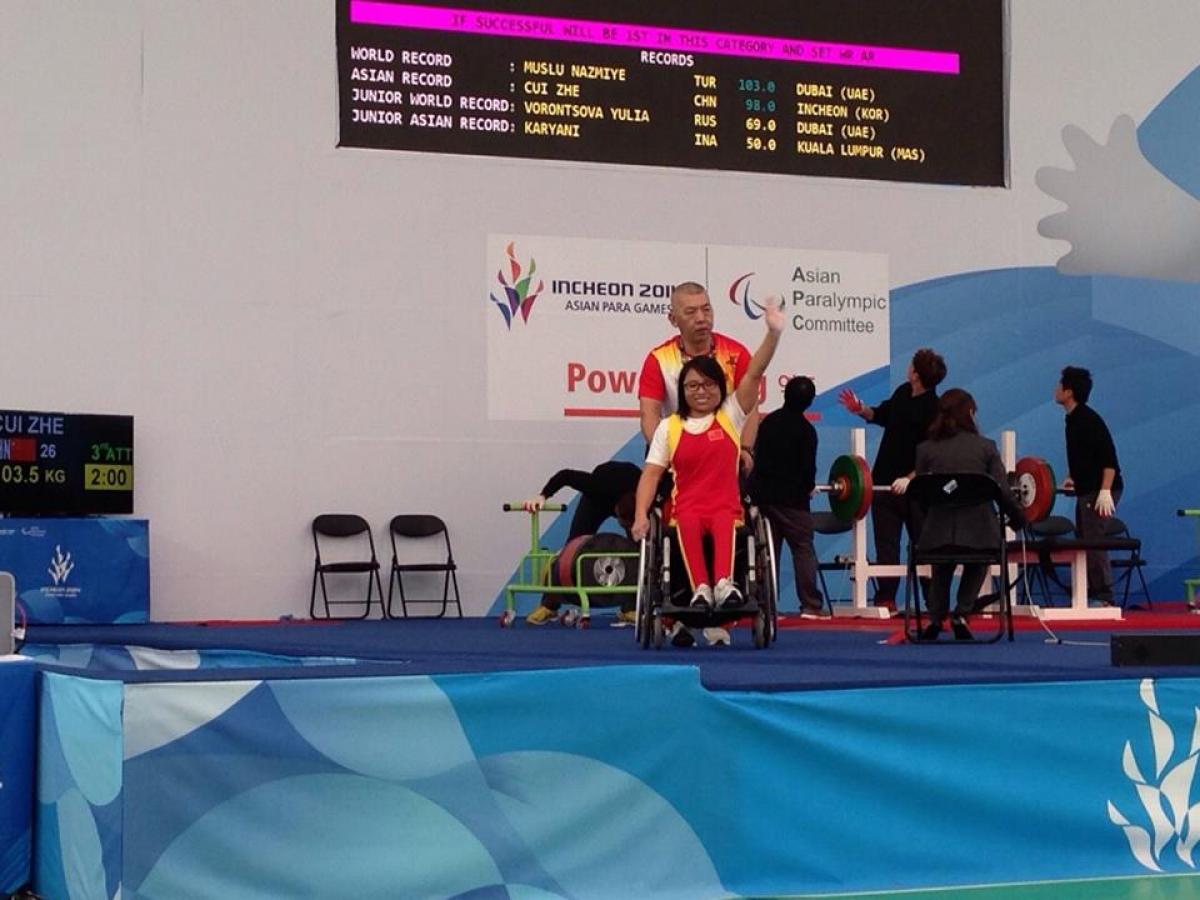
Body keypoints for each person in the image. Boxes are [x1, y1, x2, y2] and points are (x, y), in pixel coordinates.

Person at [631, 301, 784, 645]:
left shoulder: (729, 415)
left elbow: (755, 373)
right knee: (683, 523)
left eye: (709, 385)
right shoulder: (669, 428)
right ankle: (697, 593)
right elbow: (651, 475)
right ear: (683, 391)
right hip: (685, 505)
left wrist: (773, 333)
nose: (701, 392)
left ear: (720, 388)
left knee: (723, 522)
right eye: (693, 386)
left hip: (724, 506)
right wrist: (641, 515)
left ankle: (724, 586)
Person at [900, 388, 1026, 640]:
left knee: (942, 563)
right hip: (980, 535)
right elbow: (1001, 490)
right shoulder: (986, 448)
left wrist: (925, 528)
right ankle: (962, 612)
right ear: (970, 413)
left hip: (935, 536)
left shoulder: (925, 450)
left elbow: (920, 495)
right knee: (980, 559)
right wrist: (1019, 518)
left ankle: (936, 618)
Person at [838, 348, 947, 610]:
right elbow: (880, 414)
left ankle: (933, 604)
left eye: (911, 365)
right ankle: (886, 601)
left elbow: (932, 450)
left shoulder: (935, 407)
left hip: (916, 489)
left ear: (917, 373)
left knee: (922, 545)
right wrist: (860, 409)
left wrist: (911, 477)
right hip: (883, 484)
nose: (908, 367)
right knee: (886, 546)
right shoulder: (901, 392)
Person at [638, 281, 759, 467]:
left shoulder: (737, 353)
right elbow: (649, 415)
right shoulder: (658, 359)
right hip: (677, 452)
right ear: (673, 319)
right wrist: (666, 455)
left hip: (726, 452)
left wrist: (745, 449)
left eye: (706, 309)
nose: (701, 318)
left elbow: (750, 410)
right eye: (691, 312)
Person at [521, 461, 641, 625]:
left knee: (639, 552)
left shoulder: (645, 490)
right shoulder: (596, 487)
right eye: (623, 522)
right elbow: (565, 475)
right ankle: (549, 606)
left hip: (636, 501)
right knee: (571, 551)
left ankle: (630, 607)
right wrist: (543, 495)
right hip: (597, 499)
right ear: (617, 512)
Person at [747, 375, 826, 618]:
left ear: (784, 394)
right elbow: (807, 470)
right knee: (803, 548)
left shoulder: (768, 423)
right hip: (793, 502)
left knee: (768, 552)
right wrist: (808, 487)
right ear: (810, 402)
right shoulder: (807, 431)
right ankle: (811, 606)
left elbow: (756, 458)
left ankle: (766, 606)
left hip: (762, 498)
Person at [1055, 365, 1123, 605]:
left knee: (1094, 541)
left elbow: (1109, 460)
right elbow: (1082, 455)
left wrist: (1105, 491)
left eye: (1059, 385)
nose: (1056, 389)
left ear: (1069, 391)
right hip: (1087, 490)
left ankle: (1104, 597)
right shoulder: (1072, 420)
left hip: (1102, 490)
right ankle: (1090, 593)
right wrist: (1073, 477)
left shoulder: (1089, 420)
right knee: (1084, 537)